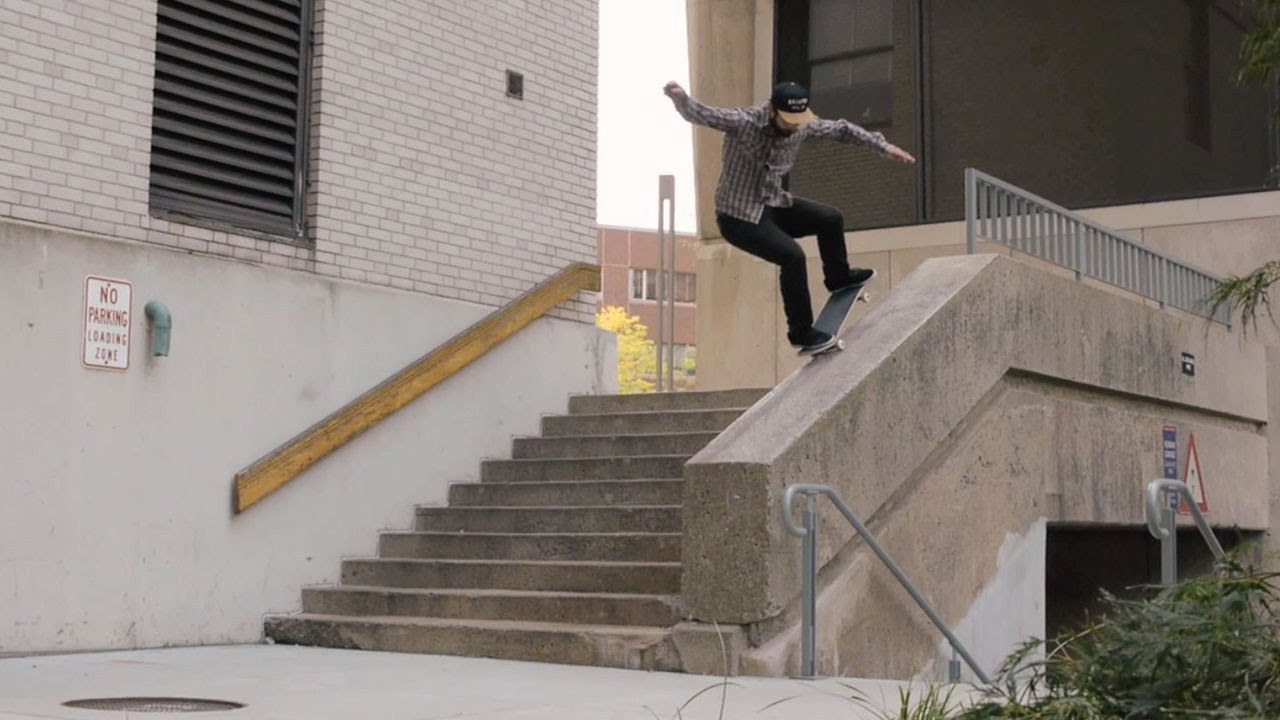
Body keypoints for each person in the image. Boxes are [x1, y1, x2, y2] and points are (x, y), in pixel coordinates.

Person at [664, 80, 916, 354]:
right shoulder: (742, 121)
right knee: (792, 257)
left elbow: (842, 129)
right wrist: (680, 98)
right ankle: (801, 333)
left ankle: (838, 277)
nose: (795, 128)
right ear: (772, 111)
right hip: (738, 219)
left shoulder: (804, 125)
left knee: (830, 218)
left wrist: (883, 147)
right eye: (788, 122)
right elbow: (701, 114)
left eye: (798, 122)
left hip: (773, 205)